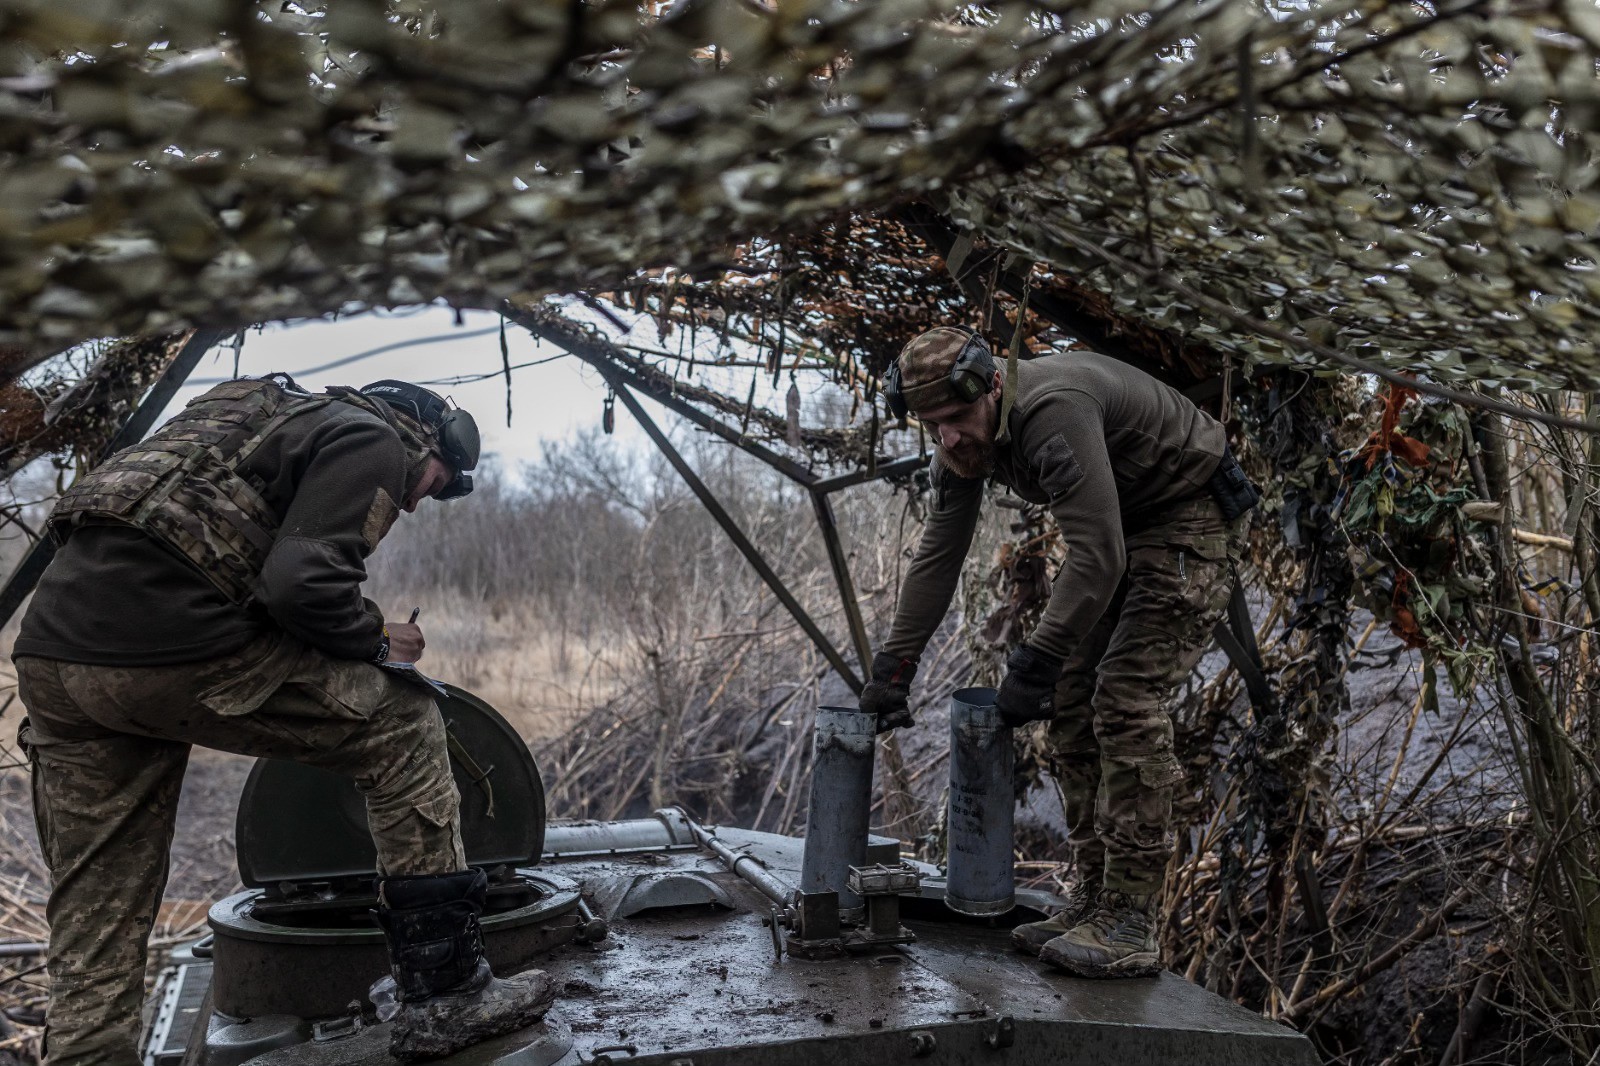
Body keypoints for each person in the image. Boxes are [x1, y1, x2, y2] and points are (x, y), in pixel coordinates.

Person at [11, 374, 553, 1063]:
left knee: (99, 899)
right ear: (424, 437)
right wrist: (379, 640)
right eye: (437, 481)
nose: (420, 502)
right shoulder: (374, 436)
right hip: (175, 648)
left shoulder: (243, 417)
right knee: (407, 725)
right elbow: (302, 585)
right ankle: (448, 998)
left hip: (56, 657)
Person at [860, 327, 1258, 979]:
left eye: (958, 419)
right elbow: (938, 554)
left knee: (1126, 700)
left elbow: (1097, 555)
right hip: (1125, 524)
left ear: (993, 384)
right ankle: (1095, 900)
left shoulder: (1053, 412)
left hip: (1191, 514)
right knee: (1069, 704)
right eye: (933, 427)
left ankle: (1131, 921)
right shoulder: (959, 446)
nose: (950, 438)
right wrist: (894, 668)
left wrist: (1036, 656)